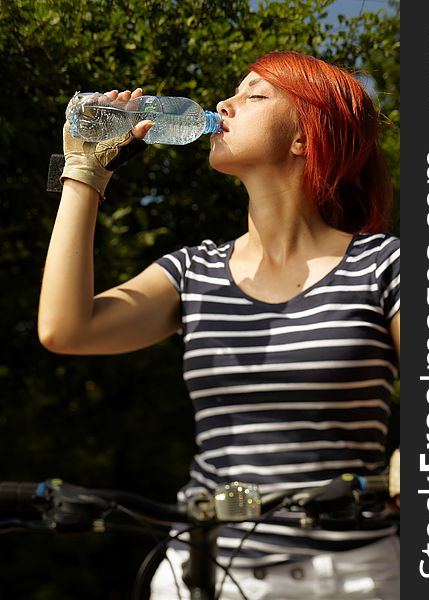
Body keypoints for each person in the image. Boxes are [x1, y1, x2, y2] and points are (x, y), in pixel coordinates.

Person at [38, 50, 400, 599]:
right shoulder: (193, 272)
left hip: (349, 578)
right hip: (200, 572)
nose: (223, 105)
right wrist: (85, 172)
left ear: (306, 137)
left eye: (254, 95)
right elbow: (65, 328)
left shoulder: (386, 265)